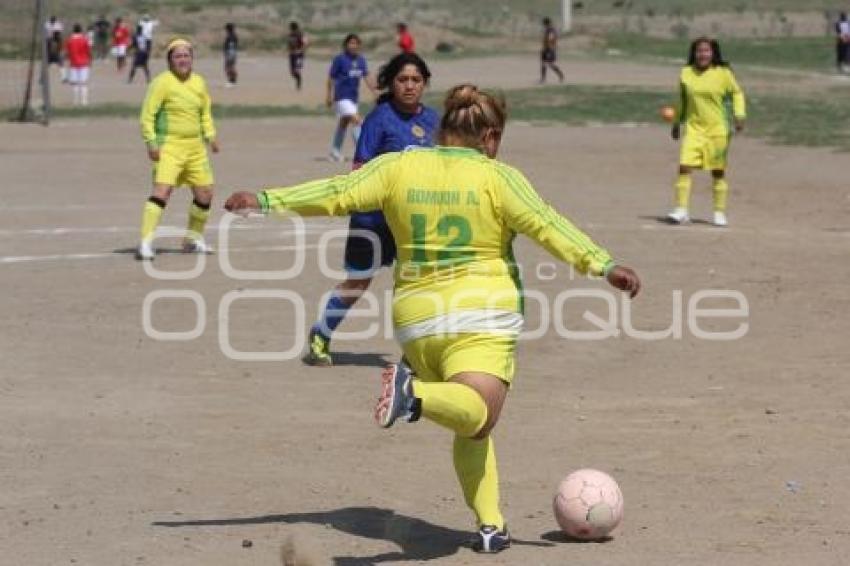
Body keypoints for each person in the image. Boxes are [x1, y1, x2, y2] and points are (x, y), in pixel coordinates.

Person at [223, 83, 641, 553]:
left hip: (417, 323)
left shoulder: (401, 164)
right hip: (482, 316)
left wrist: (264, 199)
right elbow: (547, 223)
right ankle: (413, 393)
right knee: (478, 411)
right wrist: (602, 264)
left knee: (471, 423)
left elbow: (337, 193)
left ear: (442, 128)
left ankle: (491, 524)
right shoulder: (498, 176)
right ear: (491, 137)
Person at [305, 52, 439, 366]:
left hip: (413, 221)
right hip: (374, 219)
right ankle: (321, 333)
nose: (409, 86)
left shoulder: (434, 120)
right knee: (358, 282)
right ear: (391, 83)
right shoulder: (379, 119)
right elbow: (359, 170)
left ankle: (418, 354)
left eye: (416, 80)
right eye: (402, 79)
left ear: (425, 83)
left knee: (418, 282)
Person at [136, 38, 219, 261]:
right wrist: (151, 143)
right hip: (169, 146)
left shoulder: (199, 83)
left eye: (186, 56)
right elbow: (147, 116)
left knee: (205, 193)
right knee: (162, 191)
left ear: (192, 58)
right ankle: (145, 242)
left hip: (195, 148)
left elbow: (205, 113)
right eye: (178, 56)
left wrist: (211, 137)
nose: (183, 60)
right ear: (170, 61)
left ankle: (193, 239)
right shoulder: (162, 83)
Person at [667, 37, 746, 227]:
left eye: (706, 51)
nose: (703, 54)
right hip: (694, 129)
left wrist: (739, 114)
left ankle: (719, 213)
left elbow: (737, 93)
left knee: (717, 172)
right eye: (699, 51)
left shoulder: (723, 73)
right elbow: (682, 101)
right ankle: (681, 210)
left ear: (713, 53)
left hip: (718, 130)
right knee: (684, 166)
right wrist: (677, 123)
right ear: (694, 54)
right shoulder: (686, 73)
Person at [326, 33, 376, 162]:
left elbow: (366, 76)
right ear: (346, 45)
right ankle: (363, 153)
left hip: (353, 98)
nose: (353, 46)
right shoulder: (340, 59)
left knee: (344, 122)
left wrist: (375, 91)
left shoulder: (361, 60)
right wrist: (329, 95)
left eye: (355, 43)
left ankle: (335, 152)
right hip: (341, 97)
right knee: (357, 120)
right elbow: (331, 78)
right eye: (350, 43)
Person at [65, 23, 92, 106]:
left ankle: (75, 101)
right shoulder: (85, 40)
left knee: (75, 83)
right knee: (83, 83)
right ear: (81, 30)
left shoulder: (70, 40)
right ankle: (84, 101)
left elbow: (68, 52)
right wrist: (90, 60)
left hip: (74, 63)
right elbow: (88, 51)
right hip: (84, 63)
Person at [540, 17, 564, 84]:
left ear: (546, 23)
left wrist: (549, 48)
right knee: (543, 64)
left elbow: (550, 39)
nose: (543, 25)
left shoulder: (551, 30)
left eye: (544, 24)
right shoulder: (547, 30)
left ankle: (560, 75)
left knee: (550, 64)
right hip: (545, 49)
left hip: (550, 49)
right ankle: (543, 79)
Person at [287, 21, 308, 90]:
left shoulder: (301, 34)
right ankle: (298, 79)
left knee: (297, 70)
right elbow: (289, 44)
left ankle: (298, 84)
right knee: (292, 72)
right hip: (292, 55)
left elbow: (305, 43)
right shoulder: (290, 35)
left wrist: (301, 50)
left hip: (299, 55)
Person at [45, 17, 66, 83]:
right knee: (61, 65)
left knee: (60, 65)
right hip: (54, 54)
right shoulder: (52, 40)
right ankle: (64, 78)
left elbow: (60, 48)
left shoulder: (54, 40)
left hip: (53, 54)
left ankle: (64, 78)